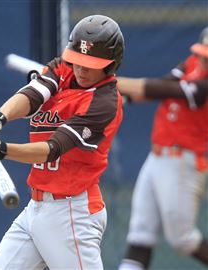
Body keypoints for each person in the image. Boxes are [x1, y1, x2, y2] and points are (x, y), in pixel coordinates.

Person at [0, 15, 125, 270]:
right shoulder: (64, 68)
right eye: (78, 61)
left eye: (91, 64)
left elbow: (51, 150)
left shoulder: (104, 103)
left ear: (111, 64)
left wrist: (2, 150)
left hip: (72, 214)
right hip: (37, 207)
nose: (81, 69)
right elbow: (33, 95)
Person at [117, 26, 208, 270]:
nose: (202, 59)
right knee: (140, 233)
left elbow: (161, 90)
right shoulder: (192, 63)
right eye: (202, 53)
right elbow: (163, 83)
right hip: (157, 157)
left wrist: (108, 82)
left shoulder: (205, 86)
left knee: (183, 240)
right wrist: (118, 96)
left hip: (182, 163)